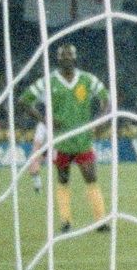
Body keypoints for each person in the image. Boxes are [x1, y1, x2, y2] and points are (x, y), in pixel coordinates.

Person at [22, 44, 110, 234]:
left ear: (75, 58)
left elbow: (107, 99)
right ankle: (65, 222)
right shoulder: (48, 81)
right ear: (58, 59)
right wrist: (44, 119)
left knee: (91, 177)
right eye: (63, 55)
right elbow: (24, 100)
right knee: (63, 179)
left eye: (70, 55)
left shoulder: (87, 80)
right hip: (60, 142)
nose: (67, 58)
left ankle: (101, 221)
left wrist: (100, 119)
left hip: (83, 141)